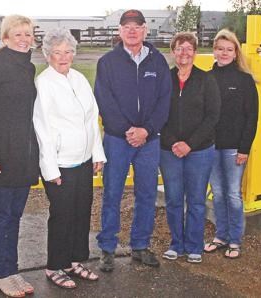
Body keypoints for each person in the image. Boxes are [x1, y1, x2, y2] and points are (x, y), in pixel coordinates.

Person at [94, 9, 171, 272]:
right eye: (126, 26)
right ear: (119, 31)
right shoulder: (107, 62)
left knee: (146, 194)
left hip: (149, 141)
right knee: (112, 194)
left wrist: (146, 131)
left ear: (145, 30)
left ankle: (140, 245)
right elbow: (105, 101)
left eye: (137, 26)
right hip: (117, 139)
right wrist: (128, 130)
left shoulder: (158, 61)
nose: (132, 30)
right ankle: (107, 248)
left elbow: (164, 101)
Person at [33, 28, 107, 289]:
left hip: (83, 160)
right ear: (47, 55)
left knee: (81, 211)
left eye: (68, 52)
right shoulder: (44, 83)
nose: (63, 57)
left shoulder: (78, 79)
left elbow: (91, 118)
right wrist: (50, 168)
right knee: (62, 214)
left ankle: (74, 261)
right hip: (60, 164)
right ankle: (54, 265)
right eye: (57, 52)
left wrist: (97, 153)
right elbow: (42, 129)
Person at [0, 14, 39, 298]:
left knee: (14, 216)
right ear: (5, 38)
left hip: (23, 154)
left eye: (28, 34)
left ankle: (12, 270)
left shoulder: (29, 68)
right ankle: (0, 273)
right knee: (0, 215)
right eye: (18, 34)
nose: (24, 39)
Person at [159, 32, 221, 264]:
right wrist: (174, 142)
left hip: (200, 150)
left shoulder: (206, 80)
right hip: (169, 150)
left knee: (196, 199)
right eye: (179, 48)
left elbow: (212, 116)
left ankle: (194, 245)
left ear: (195, 53)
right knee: (174, 199)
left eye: (189, 48)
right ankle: (177, 244)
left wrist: (190, 144)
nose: (184, 53)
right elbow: (158, 114)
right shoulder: (164, 79)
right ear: (173, 51)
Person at [203, 29, 258, 259]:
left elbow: (252, 117)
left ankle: (235, 240)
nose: (224, 53)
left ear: (236, 53)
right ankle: (221, 235)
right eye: (220, 49)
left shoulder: (245, 80)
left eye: (229, 49)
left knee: (233, 194)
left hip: (234, 148)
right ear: (214, 51)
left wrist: (244, 148)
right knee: (217, 192)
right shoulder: (206, 78)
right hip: (210, 147)